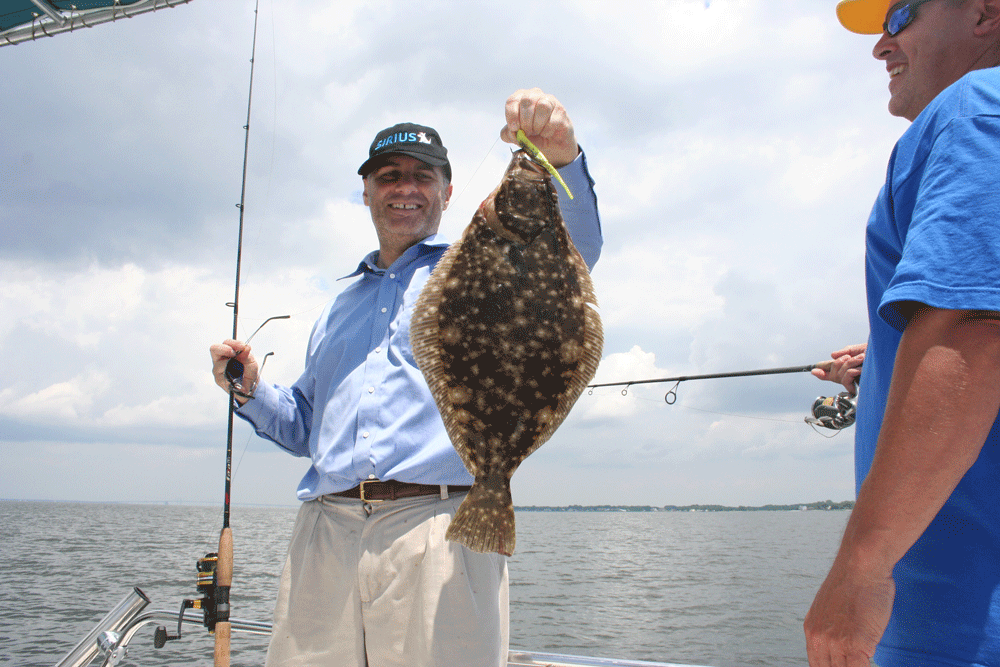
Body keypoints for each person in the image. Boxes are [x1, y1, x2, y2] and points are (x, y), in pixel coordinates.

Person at [209, 88, 602, 667]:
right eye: (388, 176)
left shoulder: (481, 257)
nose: (405, 187)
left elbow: (577, 244)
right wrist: (248, 389)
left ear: (448, 192)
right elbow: (305, 428)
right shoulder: (339, 307)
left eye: (423, 175)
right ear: (366, 192)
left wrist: (563, 158)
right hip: (326, 530)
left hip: (439, 526)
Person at [804, 1, 1000, 666]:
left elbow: (973, 328)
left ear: (985, 13)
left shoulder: (979, 104)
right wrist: (888, 361)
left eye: (904, 14)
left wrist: (860, 568)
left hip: (961, 620)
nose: (881, 46)